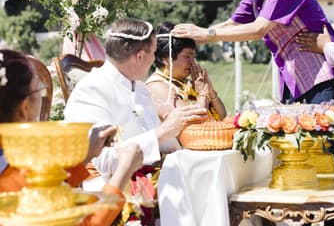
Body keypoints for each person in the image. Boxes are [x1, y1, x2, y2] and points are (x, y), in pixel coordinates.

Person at [172, 0, 334, 169]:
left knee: (328, 154)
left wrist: (208, 34)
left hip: (322, 80)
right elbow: (232, 24)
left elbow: (259, 28)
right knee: (300, 154)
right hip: (296, 80)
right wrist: (198, 35)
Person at [0, 49, 144, 226]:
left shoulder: (16, 154)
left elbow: (50, 185)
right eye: (39, 90)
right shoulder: (17, 166)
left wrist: (84, 154)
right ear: (25, 108)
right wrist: (124, 171)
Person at [64, 18, 208, 184]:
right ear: (139, 56)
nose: (155, 59)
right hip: (113, 188)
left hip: (156, 176)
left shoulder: (139, 88)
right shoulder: (91, 90)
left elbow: (164, 144)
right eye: (154, 53)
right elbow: (107, 163)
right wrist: (165, 130)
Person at [146, 22, 227, 122]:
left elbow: (222, 115)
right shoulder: (156, 86)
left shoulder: (187, 83)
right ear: (166, 59)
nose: (193, 62)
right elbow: (195, 120)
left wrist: (210, 91)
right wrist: (203, 93)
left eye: (193, 57)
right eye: (187, 56)